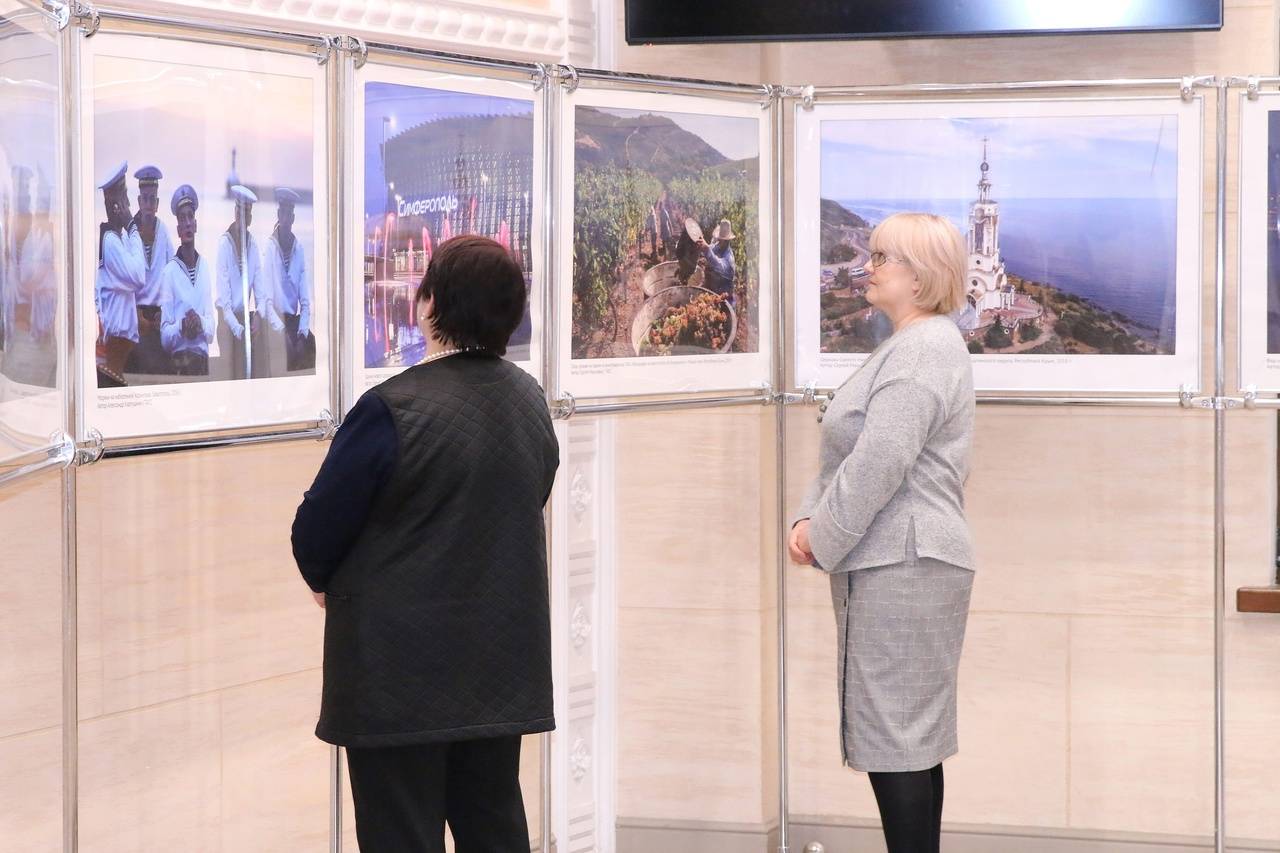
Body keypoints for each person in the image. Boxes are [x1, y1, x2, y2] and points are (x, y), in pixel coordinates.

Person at [291, 235, 560, 852]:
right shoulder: (529, 399)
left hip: (396, 677)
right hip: (499, 665)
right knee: (493, 825)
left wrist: (326, 580)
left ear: (430, 302)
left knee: (401, 833)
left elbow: (317, 531)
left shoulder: (390, 409)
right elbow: (531, 494)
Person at [789, 212, 975, 853]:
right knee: (909, 740)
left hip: (904, 562)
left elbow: (879, 463)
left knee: (898, 741)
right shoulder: (916, 343)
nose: (865, 268)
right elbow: (848, 453)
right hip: (904, 559)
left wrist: (819, 537)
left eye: (880, 258)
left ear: (920, 277)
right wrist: (809, 520)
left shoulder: (922, 350)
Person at [214, 184, 281, 380]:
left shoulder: (253, 245)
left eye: (248, 213)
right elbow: (225, 304)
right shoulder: (224, 245)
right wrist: (240, 331)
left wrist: (258, 316)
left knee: (264, 342)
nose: (244, 217)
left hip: (244, 319)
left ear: (250, 218)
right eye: (241, 212)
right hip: (227, 322)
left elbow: (261, 293)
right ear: (235, 213)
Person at [94, 161, 146, 387]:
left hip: (119, 350)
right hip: (113, 349)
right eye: (124, 196)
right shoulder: (111, 242)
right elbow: (139, 277)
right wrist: (132, 226)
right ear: (114, 202)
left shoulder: (119, 238)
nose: (128, 203)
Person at [159, 184, 215, 376]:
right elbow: (165, 337)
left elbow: (211, 330)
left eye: (190, 216)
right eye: (182, 218)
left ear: (196, 225)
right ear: (178, 230)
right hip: (179, 365)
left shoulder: (205, 267)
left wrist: (199, 323)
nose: (188, 223)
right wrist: (182, 326)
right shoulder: (169, 272)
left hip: (202, 363)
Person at [125, 164, 175, 375]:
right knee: (136, 371)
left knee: (163, 371)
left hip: (157, 317)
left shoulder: (163, 231)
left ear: (157, 203)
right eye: (144, 198)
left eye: (152, 199)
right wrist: (135, 314)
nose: (148, 204)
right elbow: (124, 280)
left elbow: (173, 273)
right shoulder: (129, 232)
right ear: (139, 201)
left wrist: (167, 311)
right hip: (135, 315)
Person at [262, 187, 314, 372]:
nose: (284, 218)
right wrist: (281, 332)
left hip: (293, 322)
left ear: (293, 218)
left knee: (310, 346)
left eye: (288, 214)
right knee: (285, 353)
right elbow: (266, 303)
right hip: (275, 322)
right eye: (282, 213)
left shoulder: (299, 249)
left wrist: (303, 332)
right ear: (278, 214)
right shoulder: (269, 248)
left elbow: (305, 302)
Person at [698, 218, 737, 304]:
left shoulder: (729, 259)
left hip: (725, 299)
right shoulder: (719, 246)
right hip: (713, 292)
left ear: (727, 241)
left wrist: (707, 249)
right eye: (719, 238)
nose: (718, 240)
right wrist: (703, 246)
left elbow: (719, 264)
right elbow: (711, 248)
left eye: (721, 239)